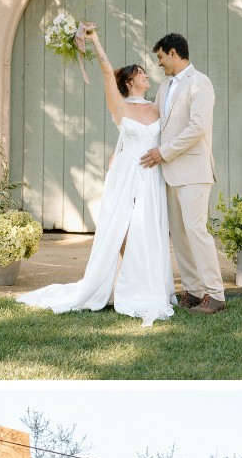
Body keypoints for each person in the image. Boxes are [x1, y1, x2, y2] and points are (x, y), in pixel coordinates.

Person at [17, 28, 176, 326]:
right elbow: (105, 70)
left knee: (148, 227)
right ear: (129, 82)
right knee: (122, 227)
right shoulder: (119, 105)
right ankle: (130, 281)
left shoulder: (157, 107)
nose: (146, 75)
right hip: (126, 174)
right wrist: (94, 40)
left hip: (151, 176)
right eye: (140, 73)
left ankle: (148, 283)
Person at [141, 32, 227, 314]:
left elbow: (198, 127)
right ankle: (193, 290)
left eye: (161, 57)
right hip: (170, 173)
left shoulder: (200, 83)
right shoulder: (165, 87)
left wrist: (163, 152)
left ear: (174, 53)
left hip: (193, 170)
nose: (159, 63)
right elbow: (156, 121)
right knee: (178, 234)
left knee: (196, 231)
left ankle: (215, 295)